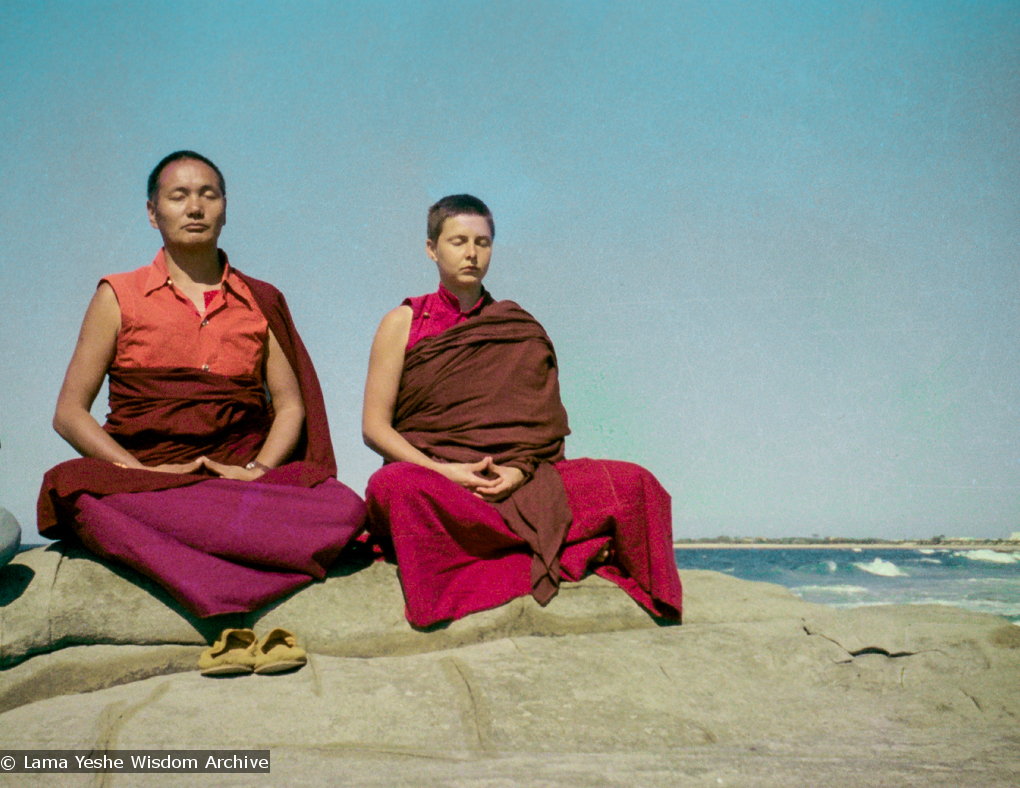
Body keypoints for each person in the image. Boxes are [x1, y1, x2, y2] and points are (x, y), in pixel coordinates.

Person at [38, 151, 366, 618]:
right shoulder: (118, 294)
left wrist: (257, 469)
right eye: (179, 196)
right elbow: (69, 412)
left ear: (225, 209)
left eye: (207, 195)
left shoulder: (259, 300)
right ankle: (248, 575)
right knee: (73, 489)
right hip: (147, 477)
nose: (195, 208)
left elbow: (291, 406)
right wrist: (137, 472)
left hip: (233, 479)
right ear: (153, 213)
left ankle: (202, 570)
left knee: (344, 508)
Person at [361, 194, 682, 627]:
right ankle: (569, 549)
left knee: (635, 484)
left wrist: (519, 470)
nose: (472, 253)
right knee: (393, 486)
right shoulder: (404, 321)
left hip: (516, 479)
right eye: (458, 241)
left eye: (483, 242)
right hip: (441, 481)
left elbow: (543, 432)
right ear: (431, 249)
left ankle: (505, 551)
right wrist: (446, 472)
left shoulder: (518, 327)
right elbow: (374, 428)